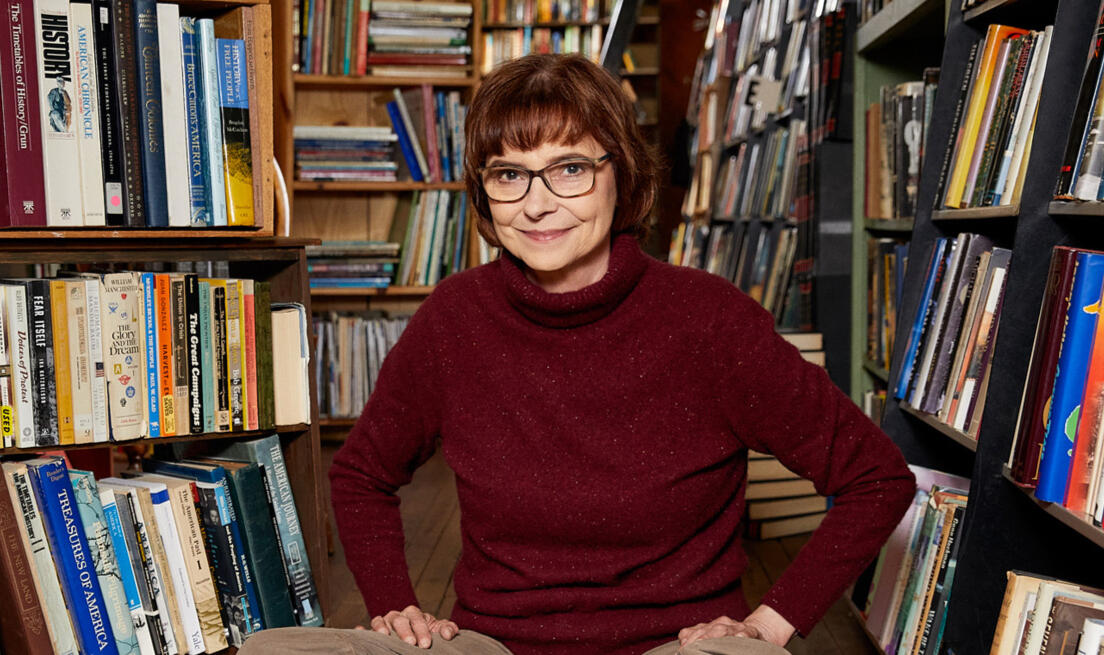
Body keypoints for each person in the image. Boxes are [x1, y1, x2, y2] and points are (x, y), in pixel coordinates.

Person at [241, 53, 915, 655]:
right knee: (276, 649)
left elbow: (877, 477)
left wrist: (769, 623)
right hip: (493, 644)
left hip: (679, 645)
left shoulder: (709, 320)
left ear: (620, 175)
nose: (537, 204)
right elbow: (360, 473)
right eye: (509, 174)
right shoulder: (454, 318)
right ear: (484, 193)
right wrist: (395, 604)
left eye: (569, 168)